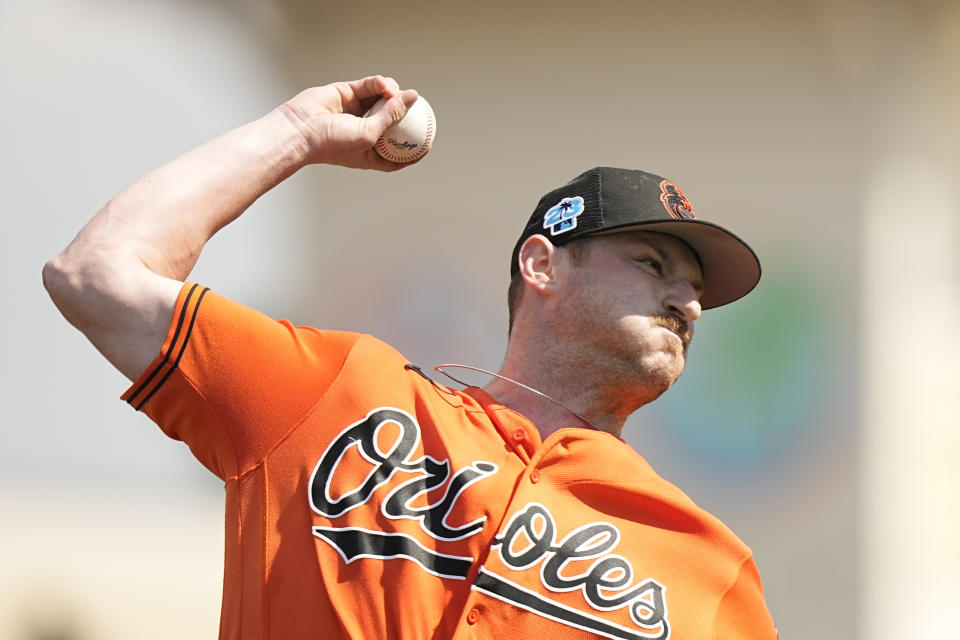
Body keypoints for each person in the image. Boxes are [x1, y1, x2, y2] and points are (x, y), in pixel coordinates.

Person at [43, 75, 778, 639]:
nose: (687, 302)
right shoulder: (336, 397)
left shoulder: (709, 566)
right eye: (654, 264)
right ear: (543, 266)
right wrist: (296, 133)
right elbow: (97, 273)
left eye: (698, 291)